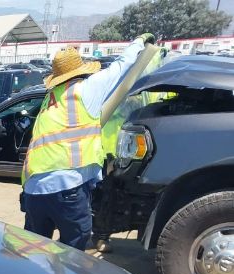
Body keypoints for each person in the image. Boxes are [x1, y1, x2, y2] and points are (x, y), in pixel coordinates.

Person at [20, 34, 156, 250]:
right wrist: (139, 41)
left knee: (33, 248)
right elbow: (121, 67)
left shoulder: (52, 98)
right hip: (66, 186)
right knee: (75, 246)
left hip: (34, 188)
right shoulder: (85, 89)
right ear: (80, 70)